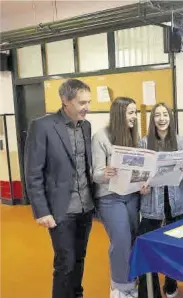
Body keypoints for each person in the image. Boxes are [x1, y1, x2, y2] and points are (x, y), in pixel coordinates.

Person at [24, 79, 93, 298]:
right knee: (65, 261)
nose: (87, 107)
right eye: (82, 102)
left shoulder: (86, 126)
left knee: (80, 258)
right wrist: (42, 210)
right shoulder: (42, 126)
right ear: (65, 100)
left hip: (86, 206)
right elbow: (33, 172)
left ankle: (77, 294)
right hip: (60, 209)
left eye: (89, 102)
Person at [137, 103, 183, 298]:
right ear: (153, 119)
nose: (162, 118)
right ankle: (149, 293)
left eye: (165, 115)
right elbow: (140, 175)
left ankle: (171, 283)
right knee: (147, 249)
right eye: (157, 115)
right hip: (152, 205)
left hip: (177, 204)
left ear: (170, 117)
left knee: (174, 250)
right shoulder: (144, 143)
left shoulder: (180, 141)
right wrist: (141, 186)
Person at [92, 97, 140, 298]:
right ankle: (121, 287)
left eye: (135, 112)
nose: (134, 117)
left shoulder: (133, 135)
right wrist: (106, 172)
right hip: (110, 197)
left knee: (134, 240)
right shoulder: (101, 137)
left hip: (131, 195)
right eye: (131, 112)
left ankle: (132, 279)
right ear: (120, 114)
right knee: (120, 240)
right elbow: (96, 174)